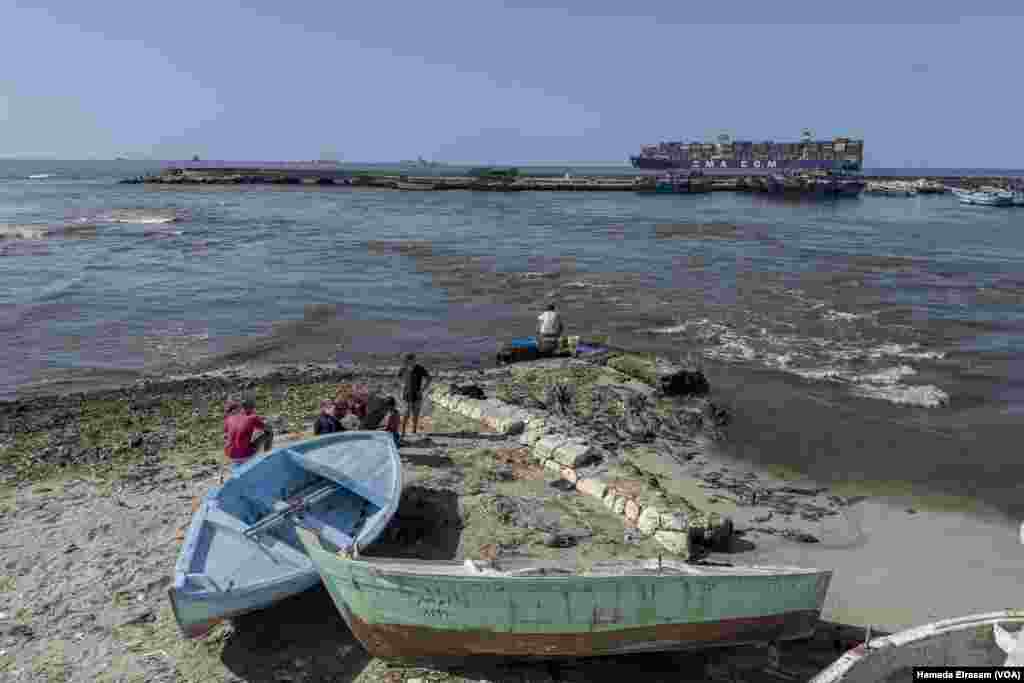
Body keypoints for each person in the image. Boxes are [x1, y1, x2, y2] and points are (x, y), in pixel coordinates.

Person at [224, 397, 274, 472]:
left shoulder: (229, 418)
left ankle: (238, 459)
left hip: (229, 453)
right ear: (252, 408)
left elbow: (228, 433)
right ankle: (268, 458)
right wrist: (266, 423)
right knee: (269, 433)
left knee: (242, 437)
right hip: (244, 455)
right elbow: (268, 428)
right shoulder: (253, 417)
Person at [397, 352, 431, 438]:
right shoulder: (403, 369)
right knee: (406, 414)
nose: (412, 362)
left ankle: (414, 431)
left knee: (416, 414)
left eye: (413, 360)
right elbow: (399, 378)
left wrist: (422, 390)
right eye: (409, 360)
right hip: (407, 395)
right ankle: (403, 432)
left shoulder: (420, 368)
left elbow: (429, 378)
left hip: (417, 395)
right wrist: (402, 386)